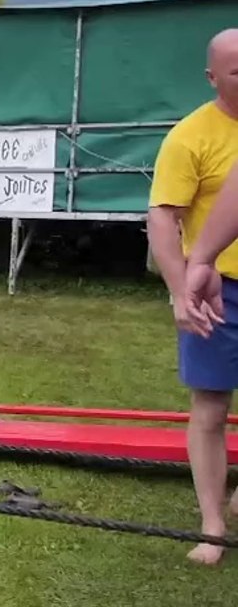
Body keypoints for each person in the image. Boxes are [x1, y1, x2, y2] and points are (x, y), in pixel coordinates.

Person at [148, 28, 238, 566]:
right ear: (212, 77)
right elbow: (163, 216)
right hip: (220, 292)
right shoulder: (190, 137)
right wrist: (183, 288)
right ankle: (212, 525)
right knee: (211, 404)